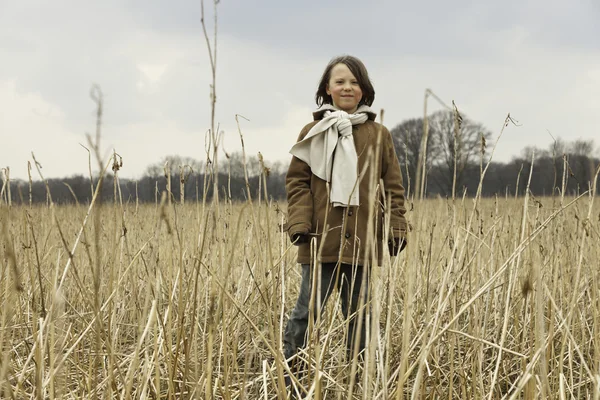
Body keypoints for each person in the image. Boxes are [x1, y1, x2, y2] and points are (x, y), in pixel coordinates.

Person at [283, 55, 408, 373]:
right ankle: (292, 376)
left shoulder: (379, 135)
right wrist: (300, 222)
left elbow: (393, 187)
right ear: (328, 88)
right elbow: (297, 182)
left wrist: (395, 228)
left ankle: (357, 381)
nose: (347, 87)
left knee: (360, 317)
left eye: (354, 82)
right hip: (318, 241)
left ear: (364, 90)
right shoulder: (312, 131)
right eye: (340, 82)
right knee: (305, 313)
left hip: (363, 242)